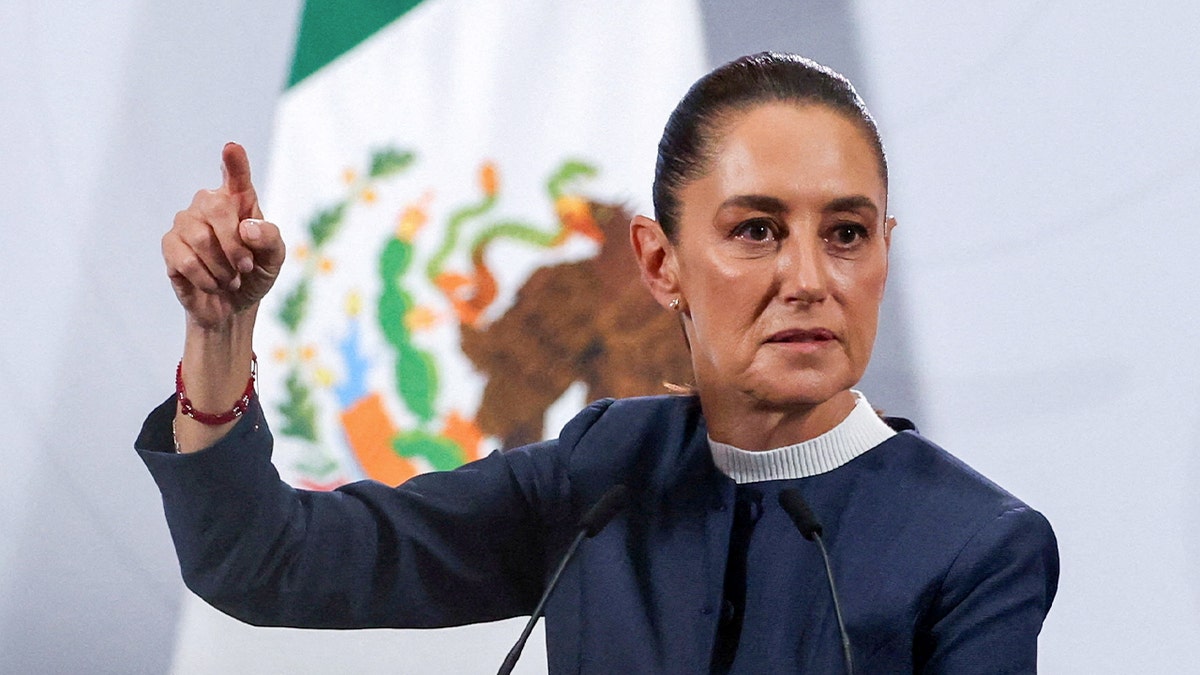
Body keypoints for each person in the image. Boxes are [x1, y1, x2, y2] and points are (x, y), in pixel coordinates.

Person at [138, 53, 1059, 673]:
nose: (810, 279)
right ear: (660, 263)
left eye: (848, 233)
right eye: (756, 230)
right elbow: (263, 563)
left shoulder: (977, 546)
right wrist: (221, 336)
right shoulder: (602, 474)